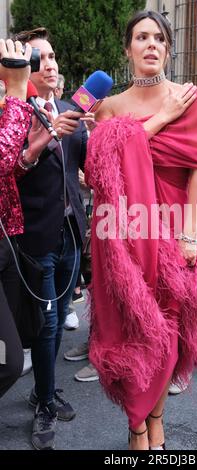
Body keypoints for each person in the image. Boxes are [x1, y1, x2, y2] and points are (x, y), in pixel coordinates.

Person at [85, 10, 197, 451]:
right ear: (128, 49)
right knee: (133, 331)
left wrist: (190, 234)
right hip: (124, 236)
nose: (151, 44)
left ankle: (154, 415)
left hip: (175, 229)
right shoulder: (110, 106)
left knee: (169, 335)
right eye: (142, 37)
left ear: (169, 49)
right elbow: (101, 173)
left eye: (159, 37)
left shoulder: (191, 100)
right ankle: (139, 427)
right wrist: (153, 122)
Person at [13, 27, 88, 450]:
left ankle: (43, 387)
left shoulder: (69, 109)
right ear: (26, 69)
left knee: (58, 321)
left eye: (55, 56)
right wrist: (48, 135)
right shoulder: (13, 113)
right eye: (41, 59)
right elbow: (15, 168)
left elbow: (81, 169)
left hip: (71, 235)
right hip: (36, 237)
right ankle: (43, 400)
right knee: (45, 326)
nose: (53, 64)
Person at [0, 38, 33, 398]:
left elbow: (6, 169)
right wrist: (18, 89)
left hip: (7, 240)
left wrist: (30, 154)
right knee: (8, 361)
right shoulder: (13, 99)